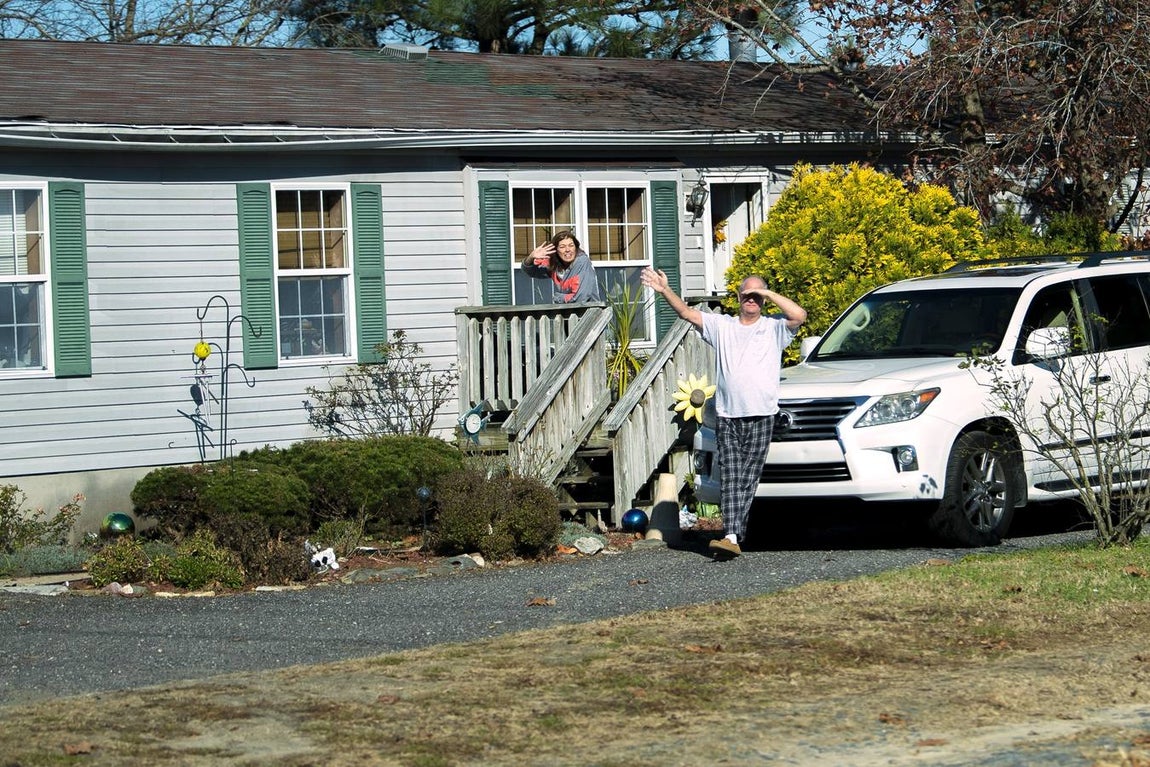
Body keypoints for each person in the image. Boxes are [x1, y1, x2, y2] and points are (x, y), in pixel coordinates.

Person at [639, 267, 807, 559]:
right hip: (729, 415)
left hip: (762, 414)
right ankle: (730, 535)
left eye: (757, 295)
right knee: (730, 475)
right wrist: (665, 290)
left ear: (763, 300)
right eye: (747, 294)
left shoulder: (774, 327)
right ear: (739, 297)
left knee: (748, 478)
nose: (751, 299)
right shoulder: (723, 325)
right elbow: (687, 314)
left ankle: (734, 535)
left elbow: (799, 315)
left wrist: (766, 291)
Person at [521, 230, 601, 303]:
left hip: (590, 313)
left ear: (576, 248)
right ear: (555, 250)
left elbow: (581, 297)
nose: (567, 249)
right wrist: (531, 257)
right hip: (570, 314)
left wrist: (558, 297)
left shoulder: (582, 261)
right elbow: (530, 272)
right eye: (562, 247)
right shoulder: (555, 265)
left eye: (571, 245)